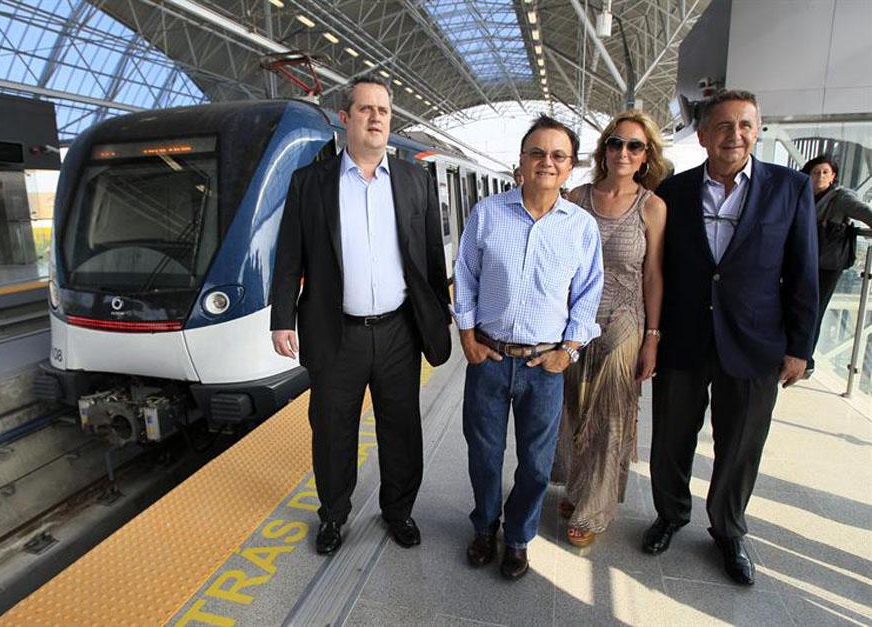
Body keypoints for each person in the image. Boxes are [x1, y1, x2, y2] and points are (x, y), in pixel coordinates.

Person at [270, 75, 452, 556]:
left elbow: (431, 256)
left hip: (398, 330)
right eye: (366, 109)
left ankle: (398, 511)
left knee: (401, 427)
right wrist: (282, 317)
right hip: (336, 332)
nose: (376, 118)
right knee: (332, 429)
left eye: (383, 110)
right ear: (345, 118)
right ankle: (333, 515)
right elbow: (289, 254)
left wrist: (438, 313)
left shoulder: (414, 180)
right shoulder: (310, 183)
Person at [644, 90, 818, 586]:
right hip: (684, 335)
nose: (734, 135)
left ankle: (727, 529)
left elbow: (804, 272)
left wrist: (800, 348)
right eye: (722, 126)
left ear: (758, 130)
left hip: (755, 340)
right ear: (702, 135)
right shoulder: (672, 191)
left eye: (744, 125)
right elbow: (656, 267)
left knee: (741, 443)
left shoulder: (790, 188)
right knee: (671, 437)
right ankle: (670, 515)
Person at [454, 114, 604, 580]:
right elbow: (465, 276)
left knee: (537, 464)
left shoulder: (581, 227)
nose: (547, 162)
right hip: (490, 358)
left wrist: (569, 351)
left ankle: (518, 537)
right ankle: (485, 527)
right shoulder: (487, 213)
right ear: (520, 160)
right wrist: (467, 336)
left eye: (558, 155)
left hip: (545, 365)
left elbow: (588, 294)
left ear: (571, 166)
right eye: (537, 152)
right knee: (484, 456)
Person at [556, 110, 667, 548]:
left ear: (646, 156)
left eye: (634, 145)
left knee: (608, 416)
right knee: (572, 408)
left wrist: (652, 337)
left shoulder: (651, 207)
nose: (624, 152)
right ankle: (578, 486)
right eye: (616, 143)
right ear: (604, 150)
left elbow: (653, 275)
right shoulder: (576, 197)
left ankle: (593, 508)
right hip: (573, 320)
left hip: (624, 320)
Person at [801, 154, 872, 376]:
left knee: (814, 310)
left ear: (833, 177)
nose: (820, 176)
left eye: (825, 172)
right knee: (798, 307)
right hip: (804, 261)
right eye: (815, 172)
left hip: (827, 265)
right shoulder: (804, 195)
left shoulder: (841, 198)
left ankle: (805, 360)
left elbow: (865, 212)